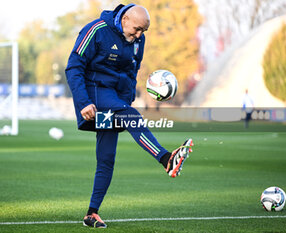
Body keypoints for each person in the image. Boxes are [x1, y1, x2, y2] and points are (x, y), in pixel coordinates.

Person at [65, 4, 193, 228]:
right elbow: (74, 67)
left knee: (107, 159)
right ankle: (166, 159)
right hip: (92, 97)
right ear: (124, 19)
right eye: (136, 29)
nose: (139, 35)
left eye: (143, 31)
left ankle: (91, 214)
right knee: (131, 116)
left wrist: (126, 100)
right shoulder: (95, 30)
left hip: (114, 100)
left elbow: (131, 71)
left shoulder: (137, 41)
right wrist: (83, 102)